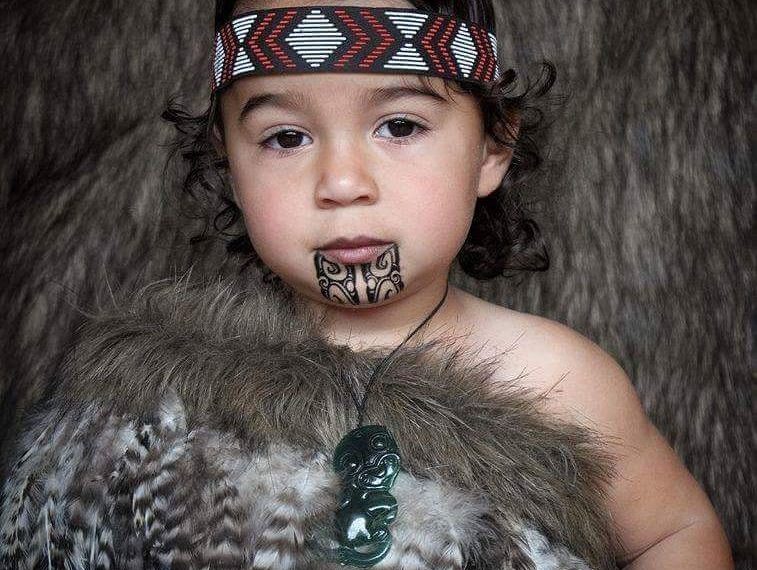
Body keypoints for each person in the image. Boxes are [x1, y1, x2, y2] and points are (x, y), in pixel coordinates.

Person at [0, 0, 733, 568]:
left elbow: (673, 532)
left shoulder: (556, 377)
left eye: (400, 126)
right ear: (228, 161)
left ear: (492, 146)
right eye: (286, 137)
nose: (343, 182)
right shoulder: (162, 391)